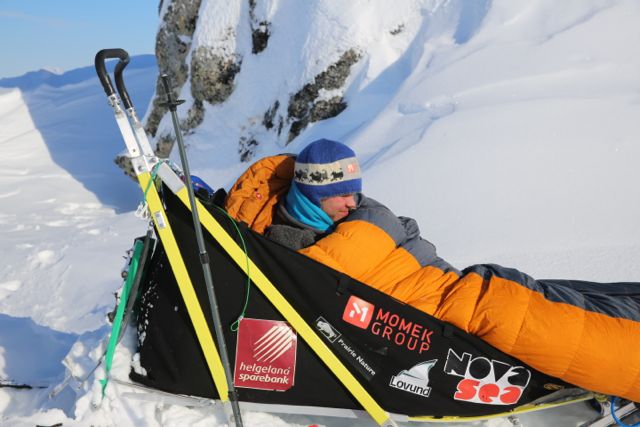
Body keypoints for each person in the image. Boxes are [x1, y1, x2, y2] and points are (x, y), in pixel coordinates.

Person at [224, 138, 640, 402]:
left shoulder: (359, 221)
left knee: (570, 306)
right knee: (575, 334)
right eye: (341, 195)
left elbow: (385, 245)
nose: (353, 203)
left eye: (355, 193)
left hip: (461, 291)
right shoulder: (288, 248)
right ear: (312, 194)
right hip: (441, 313)